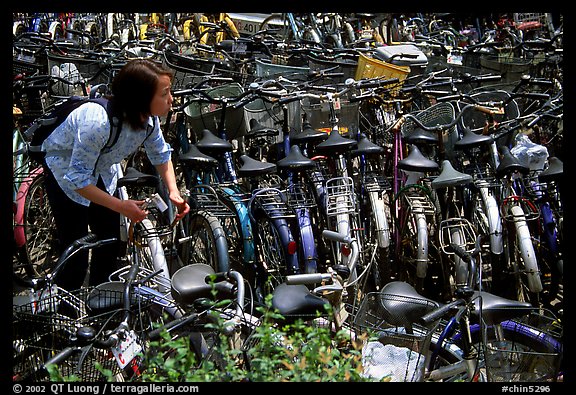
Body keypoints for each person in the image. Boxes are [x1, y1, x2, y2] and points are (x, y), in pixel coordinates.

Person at [42, 58, 189, 290]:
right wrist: (121, 206)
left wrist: (174, 191)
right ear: (141, 98)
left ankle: (102, 302)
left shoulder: (148, 120)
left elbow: (160, 154)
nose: (171, 100)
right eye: (165, 94)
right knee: (76, 252)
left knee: (110, 243)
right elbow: (78, 180)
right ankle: (64, 312)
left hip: (102, 171)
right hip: (65, 175)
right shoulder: (97, 122)